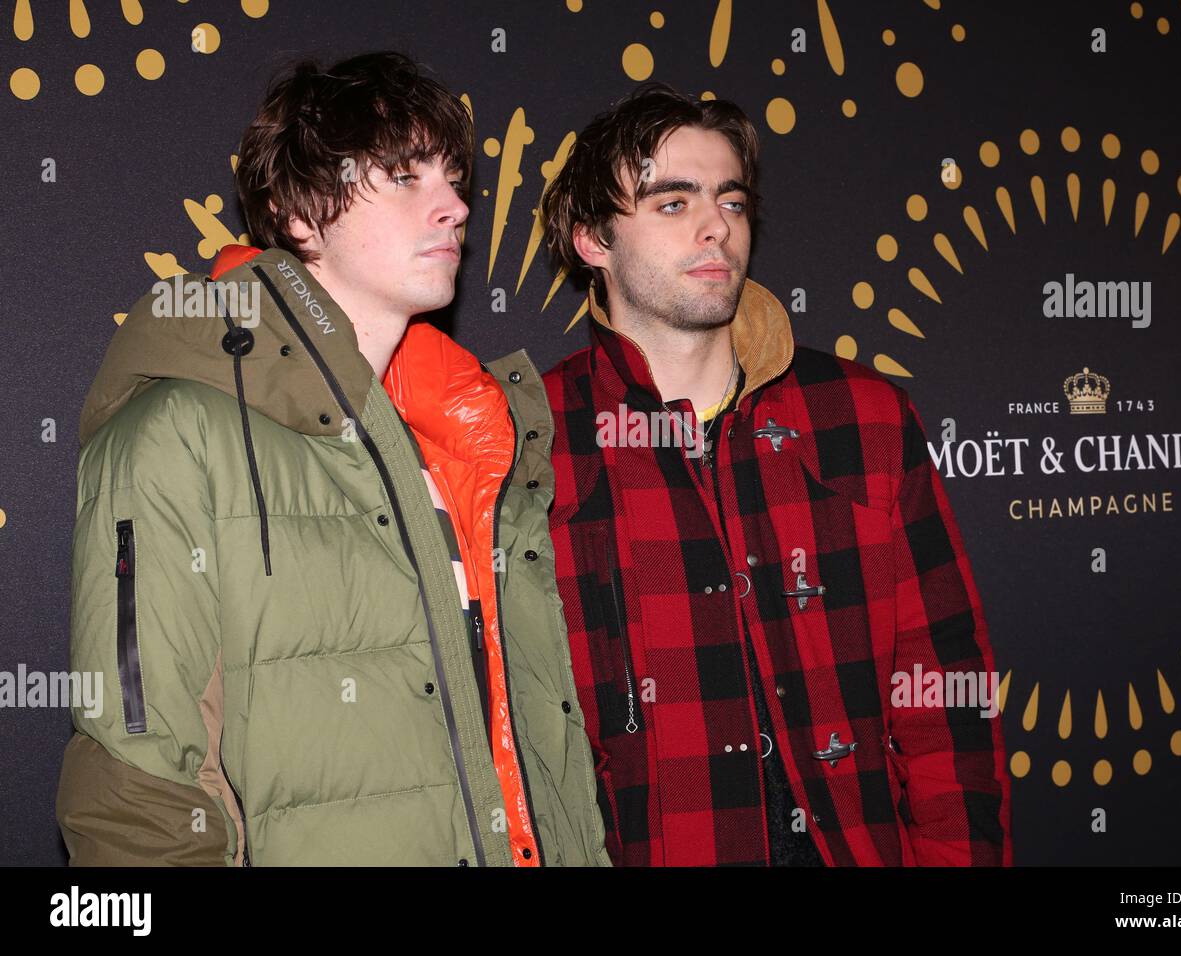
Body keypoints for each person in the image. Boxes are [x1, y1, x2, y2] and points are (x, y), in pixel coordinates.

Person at [55, 51, 609, 867]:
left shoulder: (474, 445)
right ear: (296, 212)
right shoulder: (175, 432)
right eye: (403, 175)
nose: (455, 206)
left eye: (454, 178)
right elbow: (136, 794)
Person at [538, 81, 1012, 866]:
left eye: (730, 199)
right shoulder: (532, 440)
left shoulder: (862, 417)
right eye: (670, 203)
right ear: (593, 238)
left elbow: (943, 701)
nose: (714, 226)